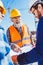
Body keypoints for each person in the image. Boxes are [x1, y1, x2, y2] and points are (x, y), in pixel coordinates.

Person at [11, 0, 43, 65]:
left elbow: (40, 52)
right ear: (11, 19)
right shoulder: (9, 30)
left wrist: (18, 59)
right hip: (28, 55)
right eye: (15, 18)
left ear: (39, 7)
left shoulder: (41, 22)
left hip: (29, 56)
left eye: (34, 13)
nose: (35, 16)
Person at [0, 1, 13, 65]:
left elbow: (6, 54)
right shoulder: (7, 30)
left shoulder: (1, 30)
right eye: (0, 11)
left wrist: (12, 45)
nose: (3, 15)